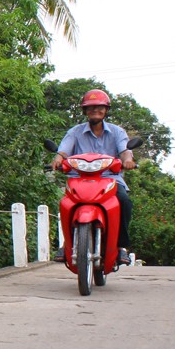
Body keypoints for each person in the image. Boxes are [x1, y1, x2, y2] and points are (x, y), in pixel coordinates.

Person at [51, 89, 136, 265]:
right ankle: (67, 244)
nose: (95, 111)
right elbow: (63, 150)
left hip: (110, 180)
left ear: (106, 110)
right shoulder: (75, 132)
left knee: (124, 202)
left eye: (99, 107)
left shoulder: (117, 132)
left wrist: (128, 160)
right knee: (66, 204)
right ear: (84, 111)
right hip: (79, 179)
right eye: (90, 108)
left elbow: (125, 151)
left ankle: (121, 248)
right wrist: (58, 159)